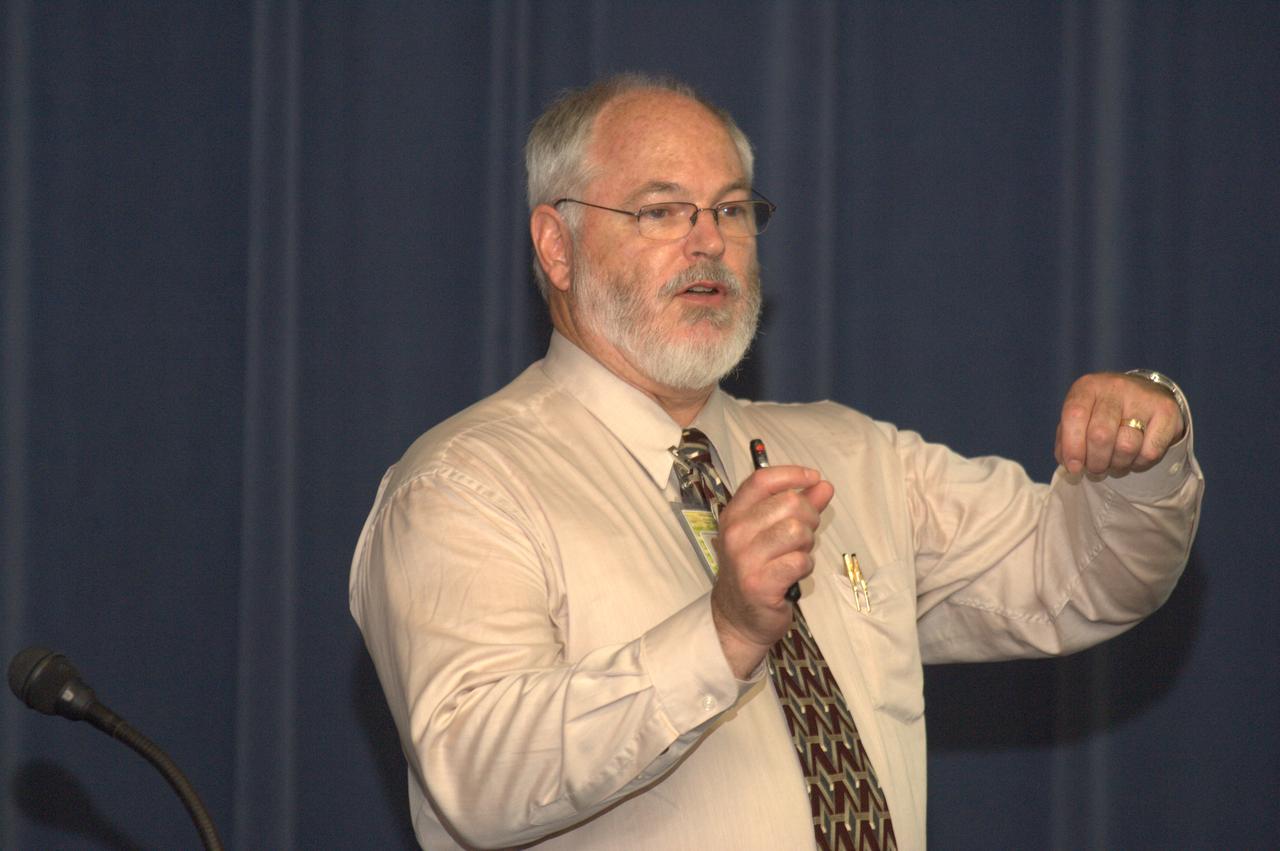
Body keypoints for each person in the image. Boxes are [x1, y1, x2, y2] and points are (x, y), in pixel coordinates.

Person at [349, 73, 1202, 850]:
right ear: (557, 245)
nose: (709, 242)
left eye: (729, 210)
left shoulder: (850, 456)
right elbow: (476, 775)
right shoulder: (464, 485)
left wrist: (1138, 455)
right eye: (660, 211)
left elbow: (1084, 576)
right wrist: (722, 634)